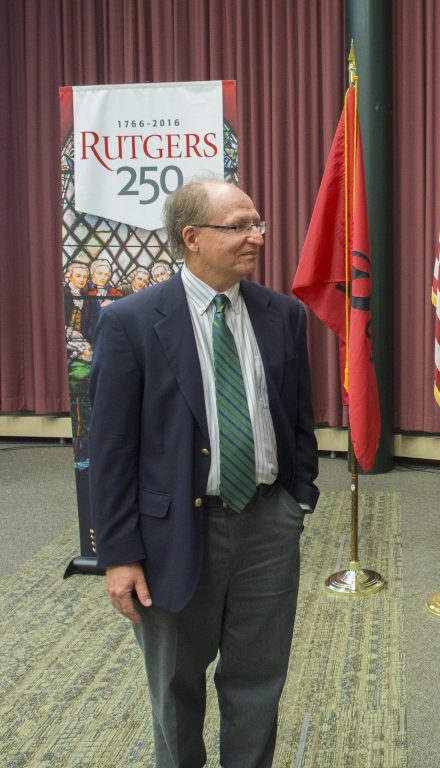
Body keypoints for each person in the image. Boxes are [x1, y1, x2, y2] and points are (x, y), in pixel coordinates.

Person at [89, 178, 319, 768]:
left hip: (267, 525)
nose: (257, 237)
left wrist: (298, 501)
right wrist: (118, 554)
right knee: (175, 687)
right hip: (171, 535)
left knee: (258, 683)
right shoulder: (132, 323)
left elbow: (297, 421)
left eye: (257, 223)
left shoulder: (284, 315)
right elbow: (111, 448)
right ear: (191, 238)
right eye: (239, 226)